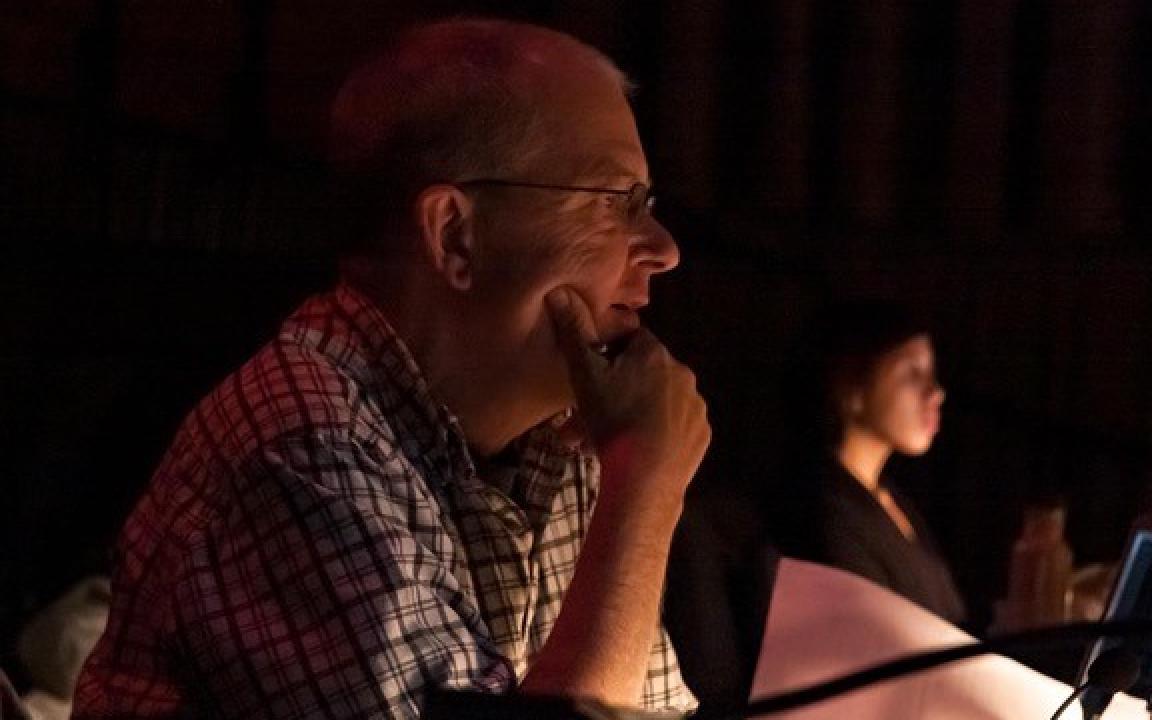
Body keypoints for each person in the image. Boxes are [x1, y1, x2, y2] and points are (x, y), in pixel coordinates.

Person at [73, 19, 708, 718]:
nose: (663, 247)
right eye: (616, 203)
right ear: (455, 237)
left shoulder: (563, 447)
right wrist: (645, 486)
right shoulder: (302, 454)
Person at [773, 299, 965, 624]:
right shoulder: (824, 508)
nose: (935, 392)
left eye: (932, 374)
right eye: (912, 374)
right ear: (852, 387)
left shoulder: (891, 499)